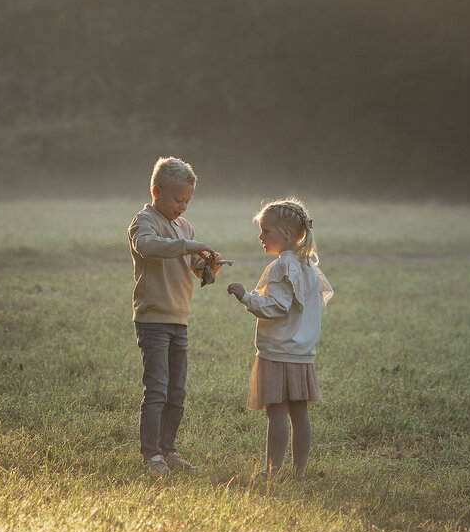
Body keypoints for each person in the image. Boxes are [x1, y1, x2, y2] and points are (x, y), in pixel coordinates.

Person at [128, 156, 222, 478]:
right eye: (178, 200)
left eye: (187, 201)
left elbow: (194, 266)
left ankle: (169, 450)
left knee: (176, 392)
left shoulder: (184, 227)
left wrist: (208, 266)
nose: (183, 207)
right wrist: (189, 245)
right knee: (156, 389)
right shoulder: (145, 221)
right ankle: (151, 454)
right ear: (157, 191)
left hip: (179, 319)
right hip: (153, 318)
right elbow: (148, 247)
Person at [228, 198, 333, 481]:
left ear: (286, 233)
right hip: (301, 353)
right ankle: (300, 471)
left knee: (277, 414)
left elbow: (276, 307)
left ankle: (273, 472)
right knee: (299, 415)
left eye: (266, 231)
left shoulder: (282, 266)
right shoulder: (308, 266)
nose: (261, 236)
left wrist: (245, 297)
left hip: (277, 353)